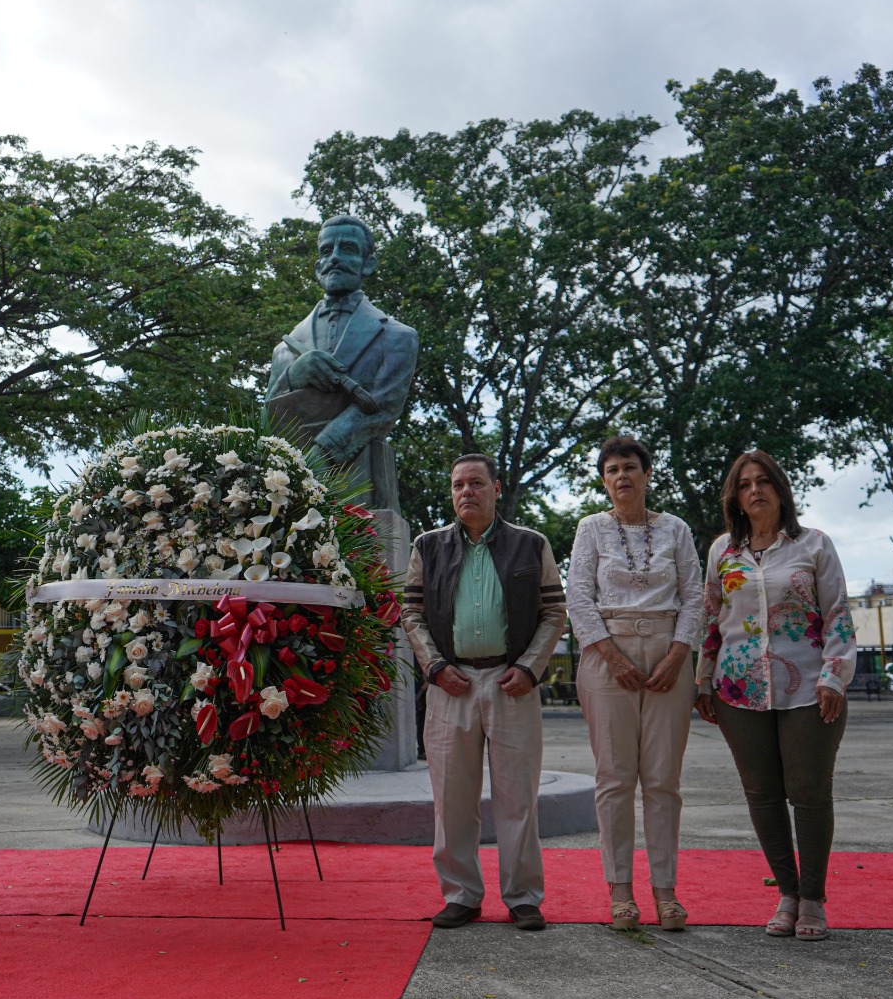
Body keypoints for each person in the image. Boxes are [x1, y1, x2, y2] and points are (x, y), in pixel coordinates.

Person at [695, 449, 857, 942]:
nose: (755, 490)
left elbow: (838, 615)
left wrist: (834, 676)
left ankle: (813, 897)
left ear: (781, 490)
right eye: (745, 484)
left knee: (808, 794)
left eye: (764, 481)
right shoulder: (722, 551)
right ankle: (787, 893)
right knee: (762, 796)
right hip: (739, 690)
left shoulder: (814, 545)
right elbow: (710, 619)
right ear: (735, 497)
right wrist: (703, 680)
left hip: (810, 688)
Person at [403, 454, 568, 930]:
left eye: (476, 483)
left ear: (496, 488)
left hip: (511, 682)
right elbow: (411, 613)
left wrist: (530, 668)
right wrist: (434, 667)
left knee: (518, 796)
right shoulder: (428, 546)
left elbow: (554, 612)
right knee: (452, 797)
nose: (466, 492)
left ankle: (522, 897)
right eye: (457, 485)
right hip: (450, 684)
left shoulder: (530, 544)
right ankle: (461, 894)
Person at [566, 436, 704, 932]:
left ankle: (665, 891)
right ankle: (619, 890)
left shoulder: (675, 529)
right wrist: (610, 654)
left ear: (647, 474)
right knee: (615, 779)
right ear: (603, 481)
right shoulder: (591, 529)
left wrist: (679, 653)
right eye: (611, 470)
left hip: (669, 655)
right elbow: (578, 597)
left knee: (663, 781)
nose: (621, 476)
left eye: (629, 467)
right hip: (608, 657)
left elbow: (695, 596)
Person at [265, 214, 418, 513]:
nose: (334, 257)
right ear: (317, 267)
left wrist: (319, 457)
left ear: (368, 263)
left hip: (362, 489)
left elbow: (383, 408)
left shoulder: (398, 337)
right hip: (288, 497)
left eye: (347, 248)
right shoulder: (283, 351)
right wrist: (294, 376)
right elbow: (268, 420)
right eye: (326, 251)